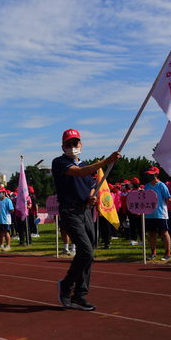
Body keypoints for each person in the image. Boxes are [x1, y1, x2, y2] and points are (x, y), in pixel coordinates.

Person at [54, 128, 121, 311]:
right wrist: (106, 161)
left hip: (84, 211)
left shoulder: (86, 164)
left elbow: (92, 184)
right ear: (63, 146)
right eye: (68, 144)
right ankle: (67, 286)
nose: (72, 147)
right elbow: (80, 172)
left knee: (89, 254)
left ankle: (80, 296)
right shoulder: (59, 163)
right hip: (70, 212)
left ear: (81, 145)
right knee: (86, 251)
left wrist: (91, 196)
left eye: (75, 143)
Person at [144, 166, 171, 261]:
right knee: (152, 233)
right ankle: (153, 253)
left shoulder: (162, 185)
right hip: (149, 214)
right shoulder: (146, 186)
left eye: (151, 174)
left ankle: (167, 253)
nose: (149, 175)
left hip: (161, 214)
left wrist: (161, 207)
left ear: (156, 174)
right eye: (148, 174)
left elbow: (168, 198)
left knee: (164, 233)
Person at [0, 187, 14, 251]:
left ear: (4, 193)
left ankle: (8, 245)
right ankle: (1, 245)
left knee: (6, 232)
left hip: (6, 220)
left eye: (0, 192)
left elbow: (12, 210)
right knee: (1, 233)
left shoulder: (8, 200)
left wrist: (6, 212)